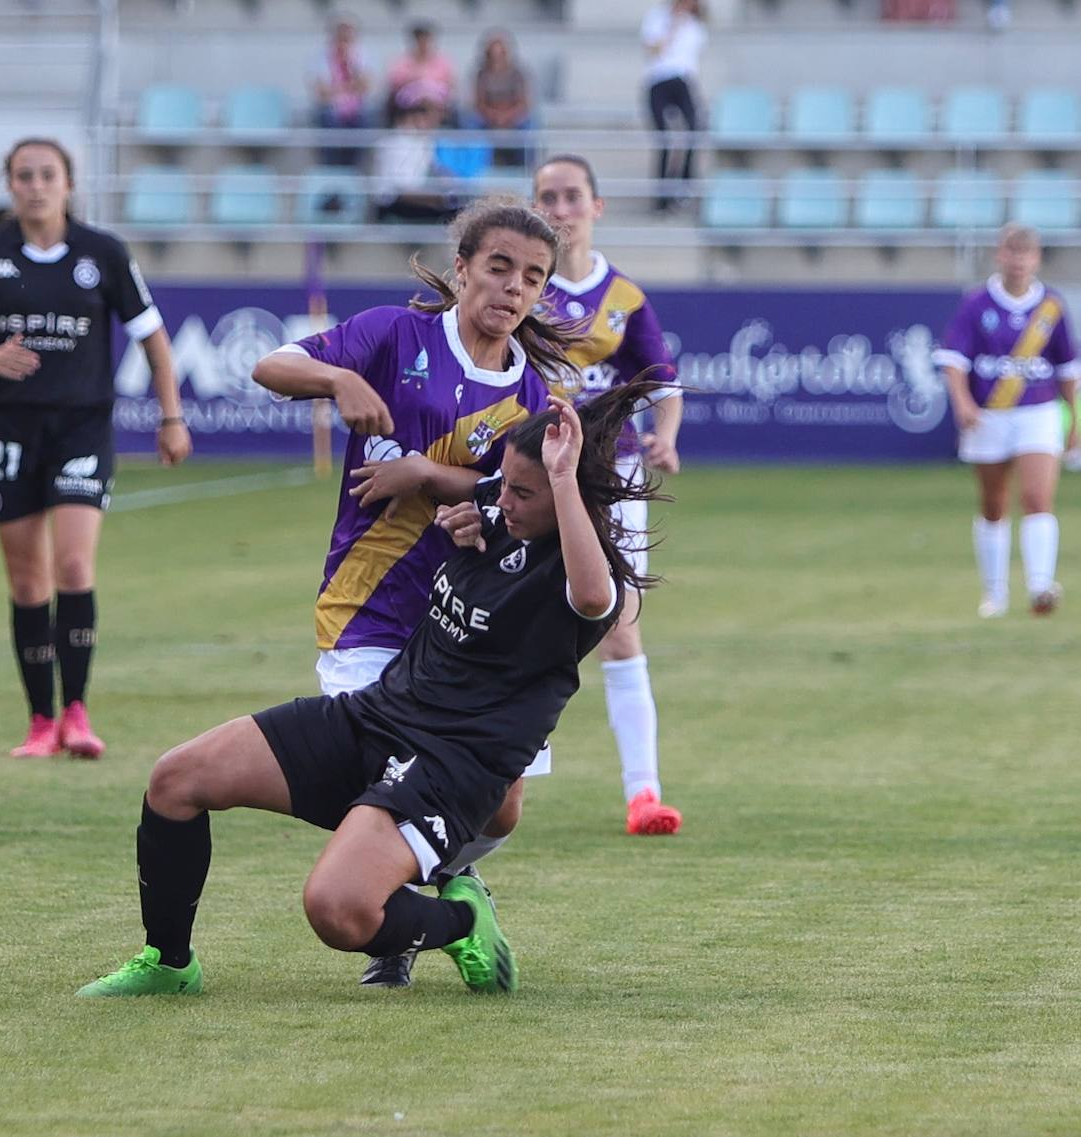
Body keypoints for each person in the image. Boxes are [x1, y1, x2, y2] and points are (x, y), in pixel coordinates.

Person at [75, 382, 661, 999]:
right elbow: (473, 492)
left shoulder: (587, 575)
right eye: (504, 483)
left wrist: (565, 480)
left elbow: (595, 598)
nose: (502, 497)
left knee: (337, 909)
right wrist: (453, 506)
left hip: (449, 765)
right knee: (176, 779)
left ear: (567, 494)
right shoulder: (496, 511)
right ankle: (169, 964)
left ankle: (462, 920)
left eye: (523, 491)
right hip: (377, 714)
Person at [252, 196, 565, 988]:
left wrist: (427, 474)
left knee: (501, 806)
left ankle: (441, 880)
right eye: (498, 267)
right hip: (371, 611)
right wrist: (335, 380)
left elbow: (523, 498)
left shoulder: (532, 399)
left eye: (532, 277)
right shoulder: (396, 334)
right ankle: (395, 923)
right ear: (461, 268)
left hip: (473, 625)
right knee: (390, 771)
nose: (513, 288)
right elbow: (270, 366)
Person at [0, 137, 191, 759]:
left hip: (81, 427)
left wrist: (172, 416)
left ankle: (77, 713)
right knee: (27, 579)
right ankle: (38, 722)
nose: (35, 185)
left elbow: (154, 338)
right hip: (12, 429)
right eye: (23, 175)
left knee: (74, 567)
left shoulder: (101, 253)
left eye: (47, 174)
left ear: (68, 184)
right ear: (10, 185)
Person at [533, 153, 684, 837]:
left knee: (619, 627)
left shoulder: (622, 298)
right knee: (520, 623)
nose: (560, 210)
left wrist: (666, 437)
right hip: (529, 479)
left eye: (571, 197)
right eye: (547, 198)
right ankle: (498, 780)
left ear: (597, 207)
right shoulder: (518, 293)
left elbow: (662, 380)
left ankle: (643, 792)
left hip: (612, 476)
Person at [932, 222, 1079, 619]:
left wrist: (1074, 421)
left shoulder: (1051, 306)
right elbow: (954, 361)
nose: (1018, 262)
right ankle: (995, 593)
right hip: (990, 414)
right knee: (994, 503)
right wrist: (962, 402)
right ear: (1000, 255)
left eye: (1026, 254)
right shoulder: (978, 304)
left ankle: (1039, 586)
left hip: (1039, 411)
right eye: (1012, 253)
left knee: (1036, 497)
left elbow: (1067, 368)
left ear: (1037, 259)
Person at [639, 0, 706, 213]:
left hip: (682, 81)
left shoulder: (695, 26)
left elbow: (689, 59)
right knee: (664, 139)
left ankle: (684, 183)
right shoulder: (657, 17)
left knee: (693, 129)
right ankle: (662, 196)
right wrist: (672, 26)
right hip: (658, 81)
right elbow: (654, 50)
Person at [371, 93, 460, 224]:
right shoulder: (393, 143)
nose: (435, 120)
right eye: (425, 113)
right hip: (396, 206)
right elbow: (401, 190)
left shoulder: (431, 142)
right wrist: (436, 199)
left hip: (426, 202)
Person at [308, 17, 370, 166]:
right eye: (340, 38)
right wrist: (349, 87)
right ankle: (331, 167)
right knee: (329, 119)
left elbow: (365, 86)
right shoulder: (320, 58)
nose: (343, 43)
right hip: (331, 107)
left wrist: (351, 64)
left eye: (347, 38)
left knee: (365, 119)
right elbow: (321, 92)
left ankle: (354, 168)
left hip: (355, 109)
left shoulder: (362, 56)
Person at [386, 21, 457, 125]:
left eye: (426, 40)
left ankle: (429, 126)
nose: (423, 44)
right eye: (420, 40)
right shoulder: (402, 62)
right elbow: (395, 85)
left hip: (436, 100)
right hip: (410, 102)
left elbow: (449, 85)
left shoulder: (442, 62)